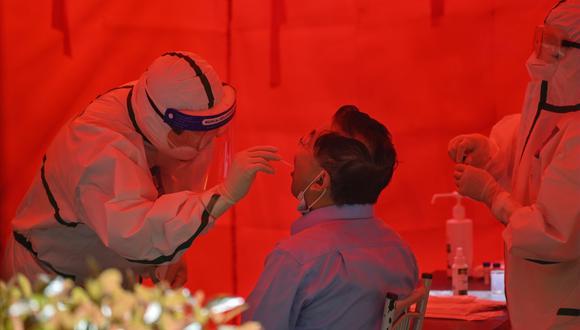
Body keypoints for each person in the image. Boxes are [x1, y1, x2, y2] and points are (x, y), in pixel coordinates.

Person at [1, 51, 280, 286]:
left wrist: (166, 261)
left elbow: (167, 187)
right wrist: (224, 195)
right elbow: (134, 232)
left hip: (107, 282)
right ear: (166, 126)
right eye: (202, 135)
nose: (209, 142)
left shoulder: (156, 108)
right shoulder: (96, 147)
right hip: (48, 281)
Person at [448, 1, 580, 328]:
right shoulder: (557, 113)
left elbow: (554, 234)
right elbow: (532, 151)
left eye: (554, 45)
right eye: (542, 40)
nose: (541, 54)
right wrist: (491, 154)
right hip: (540, 310)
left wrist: (494, 197)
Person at [242, 106, 419, 329]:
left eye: (309, 140)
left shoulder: (296, 259)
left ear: (320, 182)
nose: (298, 148)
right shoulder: (400, 250)